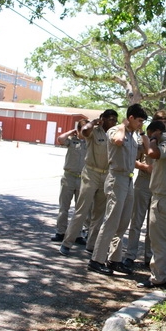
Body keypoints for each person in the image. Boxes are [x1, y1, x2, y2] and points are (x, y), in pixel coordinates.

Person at [88, 103, 149, 275]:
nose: (140, 124)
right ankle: (96, 260)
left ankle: (114, 260)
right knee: (111, 221)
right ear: (130, 118)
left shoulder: (134, 135)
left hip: (129, 180)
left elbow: (147, 149)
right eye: (139, 121)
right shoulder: (116, 130)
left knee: (123, 223)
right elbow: (118, 141)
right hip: (116, 178)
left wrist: (141, 132)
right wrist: (123, 125)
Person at [59, 109, 119, 255]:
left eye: (115, 119)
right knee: (82, 210)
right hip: (91, 173)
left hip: (106, 175)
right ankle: (67, 242)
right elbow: (84, 131)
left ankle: (91, 245)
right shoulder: (94, 131)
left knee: (98, 214)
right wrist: (93, 122)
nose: (113, 122)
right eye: (110, 119)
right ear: (103, 119)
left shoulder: (114, 134)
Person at [136, 119, 166, 288]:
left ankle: (158, 277)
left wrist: (153, 138)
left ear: (157, 132)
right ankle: (165, 273)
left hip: (164, 199)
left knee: (158, 241)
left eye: (151, 135)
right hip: (165, 198)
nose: (150, 140)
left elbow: (152, 153)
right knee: (163, 239)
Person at [123, 110, 166, 270]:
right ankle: (130, 255)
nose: (163, 122)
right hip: (143, 183)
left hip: (159, 185)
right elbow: (131, 158)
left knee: (153, 224)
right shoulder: (143, 138)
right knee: (136, 221)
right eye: (160, 119)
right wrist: (144, 166)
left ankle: (149, 257)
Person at [51, 119, 88, 242]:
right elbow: (60, 139)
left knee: (80, 209)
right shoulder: (72, 141)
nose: (85, 132)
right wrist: (71, 132)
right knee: (64, 207)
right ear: (78, 130)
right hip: (69, 177)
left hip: (83, 179)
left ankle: (77, 234)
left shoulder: (90, 143)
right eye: (83, 130)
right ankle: (60, 232)